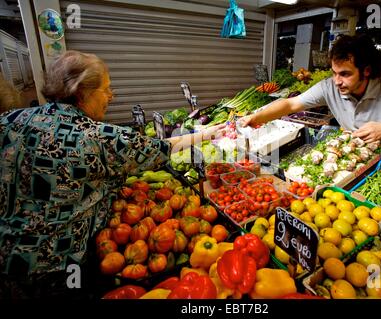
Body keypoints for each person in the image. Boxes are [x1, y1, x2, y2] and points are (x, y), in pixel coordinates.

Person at [0, 50, 224, 299]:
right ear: (82, 91)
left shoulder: (10, 120)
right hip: (56, 267)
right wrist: (208, 133)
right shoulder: (96, 137)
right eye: (105, 89)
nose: (111, 96)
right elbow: (161, 149)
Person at [241, 35, 381, 149]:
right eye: (334, 73)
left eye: (345, 74)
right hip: (357, 152)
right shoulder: (329, 86)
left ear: (366, 70)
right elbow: (291, 104)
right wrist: (257, 116)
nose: (337, 81)